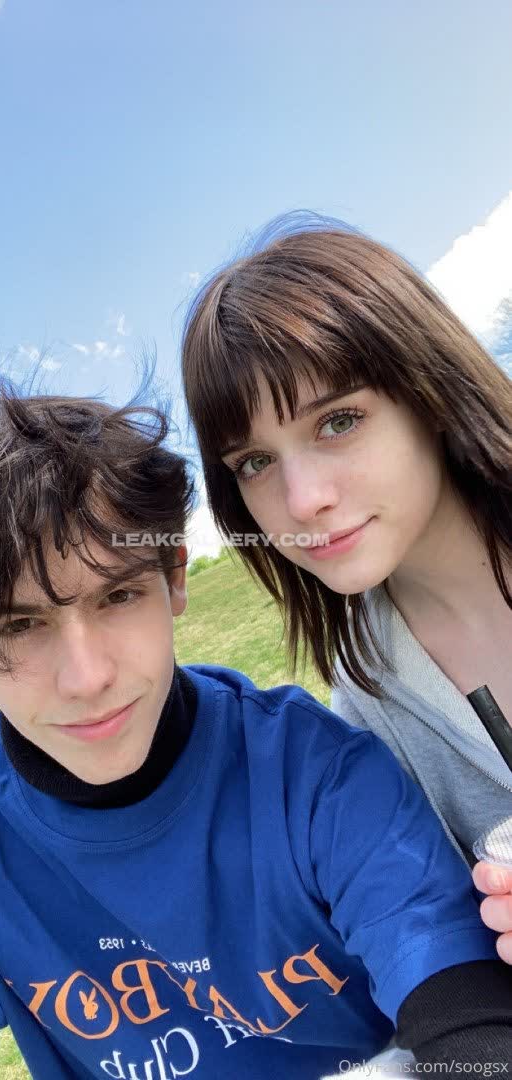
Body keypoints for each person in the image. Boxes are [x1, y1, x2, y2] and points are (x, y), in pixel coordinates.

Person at [0, 364, 511, 1078]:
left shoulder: (318, 773)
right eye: (20, 625)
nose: (87, 678)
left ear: (174, 578)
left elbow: (468, 1016)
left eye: (118, 597)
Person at [181, 212, 512, 966]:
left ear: (430, 391)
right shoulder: (366, 687)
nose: (302, 502)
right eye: (254, 462)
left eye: (339, 421)